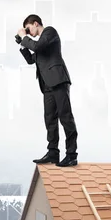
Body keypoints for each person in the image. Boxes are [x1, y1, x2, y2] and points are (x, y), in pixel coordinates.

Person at [17, 14, 78, 167]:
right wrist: (23, 44)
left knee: (65, 118)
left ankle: (71, 155)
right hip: (47, 85)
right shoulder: (39, 43)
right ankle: (53, 153)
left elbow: (37, 47)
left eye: (28, 28)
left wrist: (25, 38)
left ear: (35, 23)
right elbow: (32, 59)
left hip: (58, 80)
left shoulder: (50, 32)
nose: (28, 32)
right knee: (50, 119)